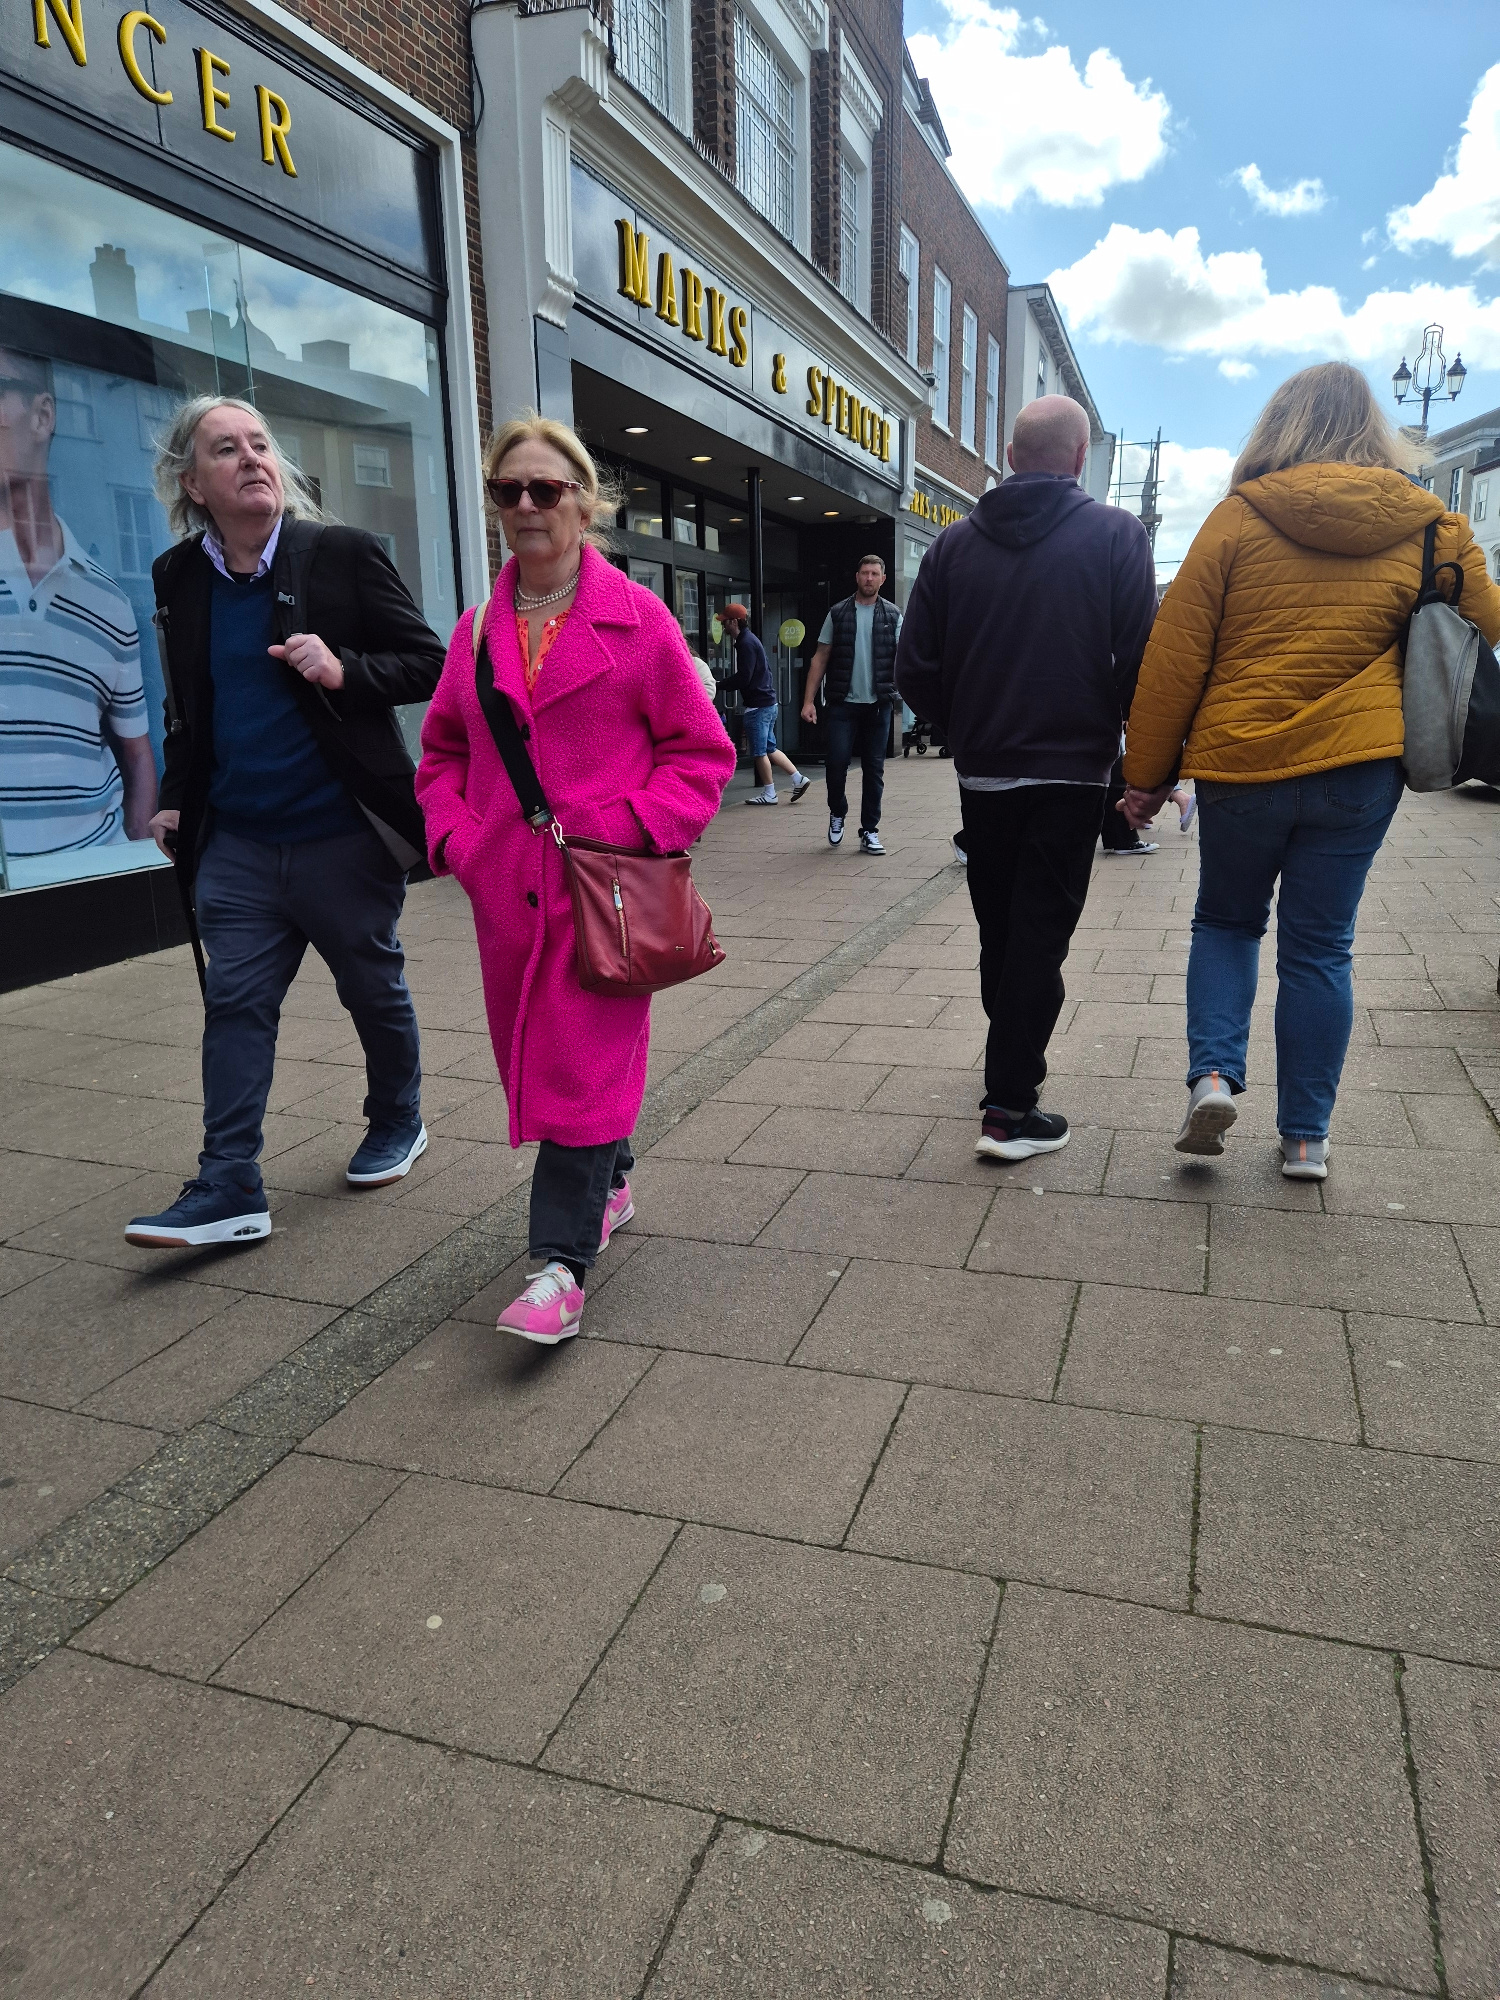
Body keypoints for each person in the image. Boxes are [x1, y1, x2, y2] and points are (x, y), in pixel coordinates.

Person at [1121, 361, 1500, 1179]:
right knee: (1321, 947)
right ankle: (1304, 1139)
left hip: (1242, 765)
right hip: (1361, 767)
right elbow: (1485, 627)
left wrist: (1146, 777)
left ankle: (1213, 1077)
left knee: (1227, 923)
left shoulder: (1236, 518)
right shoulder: (1433, 528)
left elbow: (1175, 660)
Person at [416, 416, 734, 1344]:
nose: (526, 504)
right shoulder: (474, 635)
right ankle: (613, 1182)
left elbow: (701, 754)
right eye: (507, 489)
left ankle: (558, 1267)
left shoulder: (639, 621)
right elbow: (440, 755)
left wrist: (621, 828)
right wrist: (461, 844)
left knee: (582, 1069)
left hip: (604, 893)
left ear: (585, 504)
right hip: (509, 898)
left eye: (545, 488)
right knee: (565, 1062)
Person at [123, 397, 444, 1248]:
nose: (251, 458)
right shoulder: (177, 576)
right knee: (233, 1004)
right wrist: (177, 794)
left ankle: (398, 1117)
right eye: (226, 449)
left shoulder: (340, 553)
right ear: (193, 484)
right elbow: (190, 706)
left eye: (259, 444)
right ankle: (229, 1181)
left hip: (341, 833)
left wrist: (344, 670)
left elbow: (430, 662)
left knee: (370, 986)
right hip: (237, 839)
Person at [898, 395, 1157, 1161]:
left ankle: (1006, 1059)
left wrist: (967, 728)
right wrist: (1144, 768)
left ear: (1010, 458)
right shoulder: (1117, 536)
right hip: (1072, 773)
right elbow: (1141, 665)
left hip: (985, 775)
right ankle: (1009, 1108)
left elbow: (915, 668)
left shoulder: (951, 547)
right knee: (1039, 935)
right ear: (1079, 459)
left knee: (1002, 930)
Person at [0, 346, 157, 863]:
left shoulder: (109, 601)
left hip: (94, 876)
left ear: (42, 415)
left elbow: (137, 756)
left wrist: (134, 865)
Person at [802, 554, 901, 852]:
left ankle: (869, 830)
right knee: (836, 763)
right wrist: (808, 701)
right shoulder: (838, 613)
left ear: (883, 579)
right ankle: (837, 812)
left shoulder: (893, 615)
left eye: (874, 574)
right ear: (857, 577)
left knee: (874, 769)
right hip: (842, 703)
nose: (869, 578)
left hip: (879, 705)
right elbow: (820, 657)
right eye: (864, 573)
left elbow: (904, 657)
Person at [722, 603, 808, 804]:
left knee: (759, 752)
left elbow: (744, 677)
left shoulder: (745, 643)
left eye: (725, 622)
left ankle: (770, 793)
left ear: (734, 622)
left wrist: (718, 685)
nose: (723, 626)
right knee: (770, 748)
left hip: (758, 706)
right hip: (768, 703)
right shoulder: (750, 640)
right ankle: (798, 779)